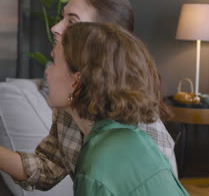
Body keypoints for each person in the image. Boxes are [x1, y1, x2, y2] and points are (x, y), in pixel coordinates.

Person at [0, 0, 177, 191]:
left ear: (103, 36)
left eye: (72, 22)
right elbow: (46, 169)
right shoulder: (71, 105)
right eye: (62, 17)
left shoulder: (138, 127)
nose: (55, 27)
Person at [51, 22, 188, 196]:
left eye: (54, 62)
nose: (47, 72)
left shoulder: (96, 168)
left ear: (76, 82)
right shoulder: (136, 139)